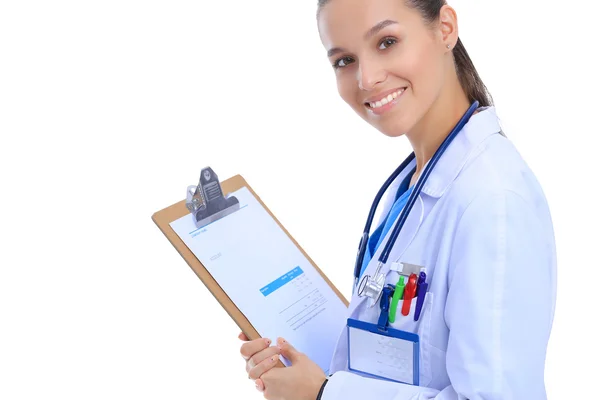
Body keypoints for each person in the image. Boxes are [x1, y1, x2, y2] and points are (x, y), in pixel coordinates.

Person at [238, 0, 557, 399]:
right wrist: (297, 366)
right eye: (344, 61)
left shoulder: (494, 201)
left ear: (445, 28)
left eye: (387, 42)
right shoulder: (414, 181)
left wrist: (325, 394)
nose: (367, 78)